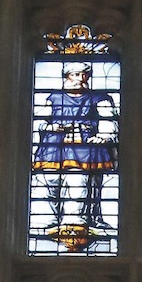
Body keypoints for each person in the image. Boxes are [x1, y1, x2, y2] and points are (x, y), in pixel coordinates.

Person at [31, 63, 118, 241]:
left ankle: (75, 221)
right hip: (53, 145)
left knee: (79, 181)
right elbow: (37, 120)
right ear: (67, 76)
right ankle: (50, 220)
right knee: (49, 181)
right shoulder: (52, 98)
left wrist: (104, 136)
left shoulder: (99, 98)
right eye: (76, 75)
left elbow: (109, 120)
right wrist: (50, 126)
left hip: (84, 146)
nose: (80, 79)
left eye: (84, 75)